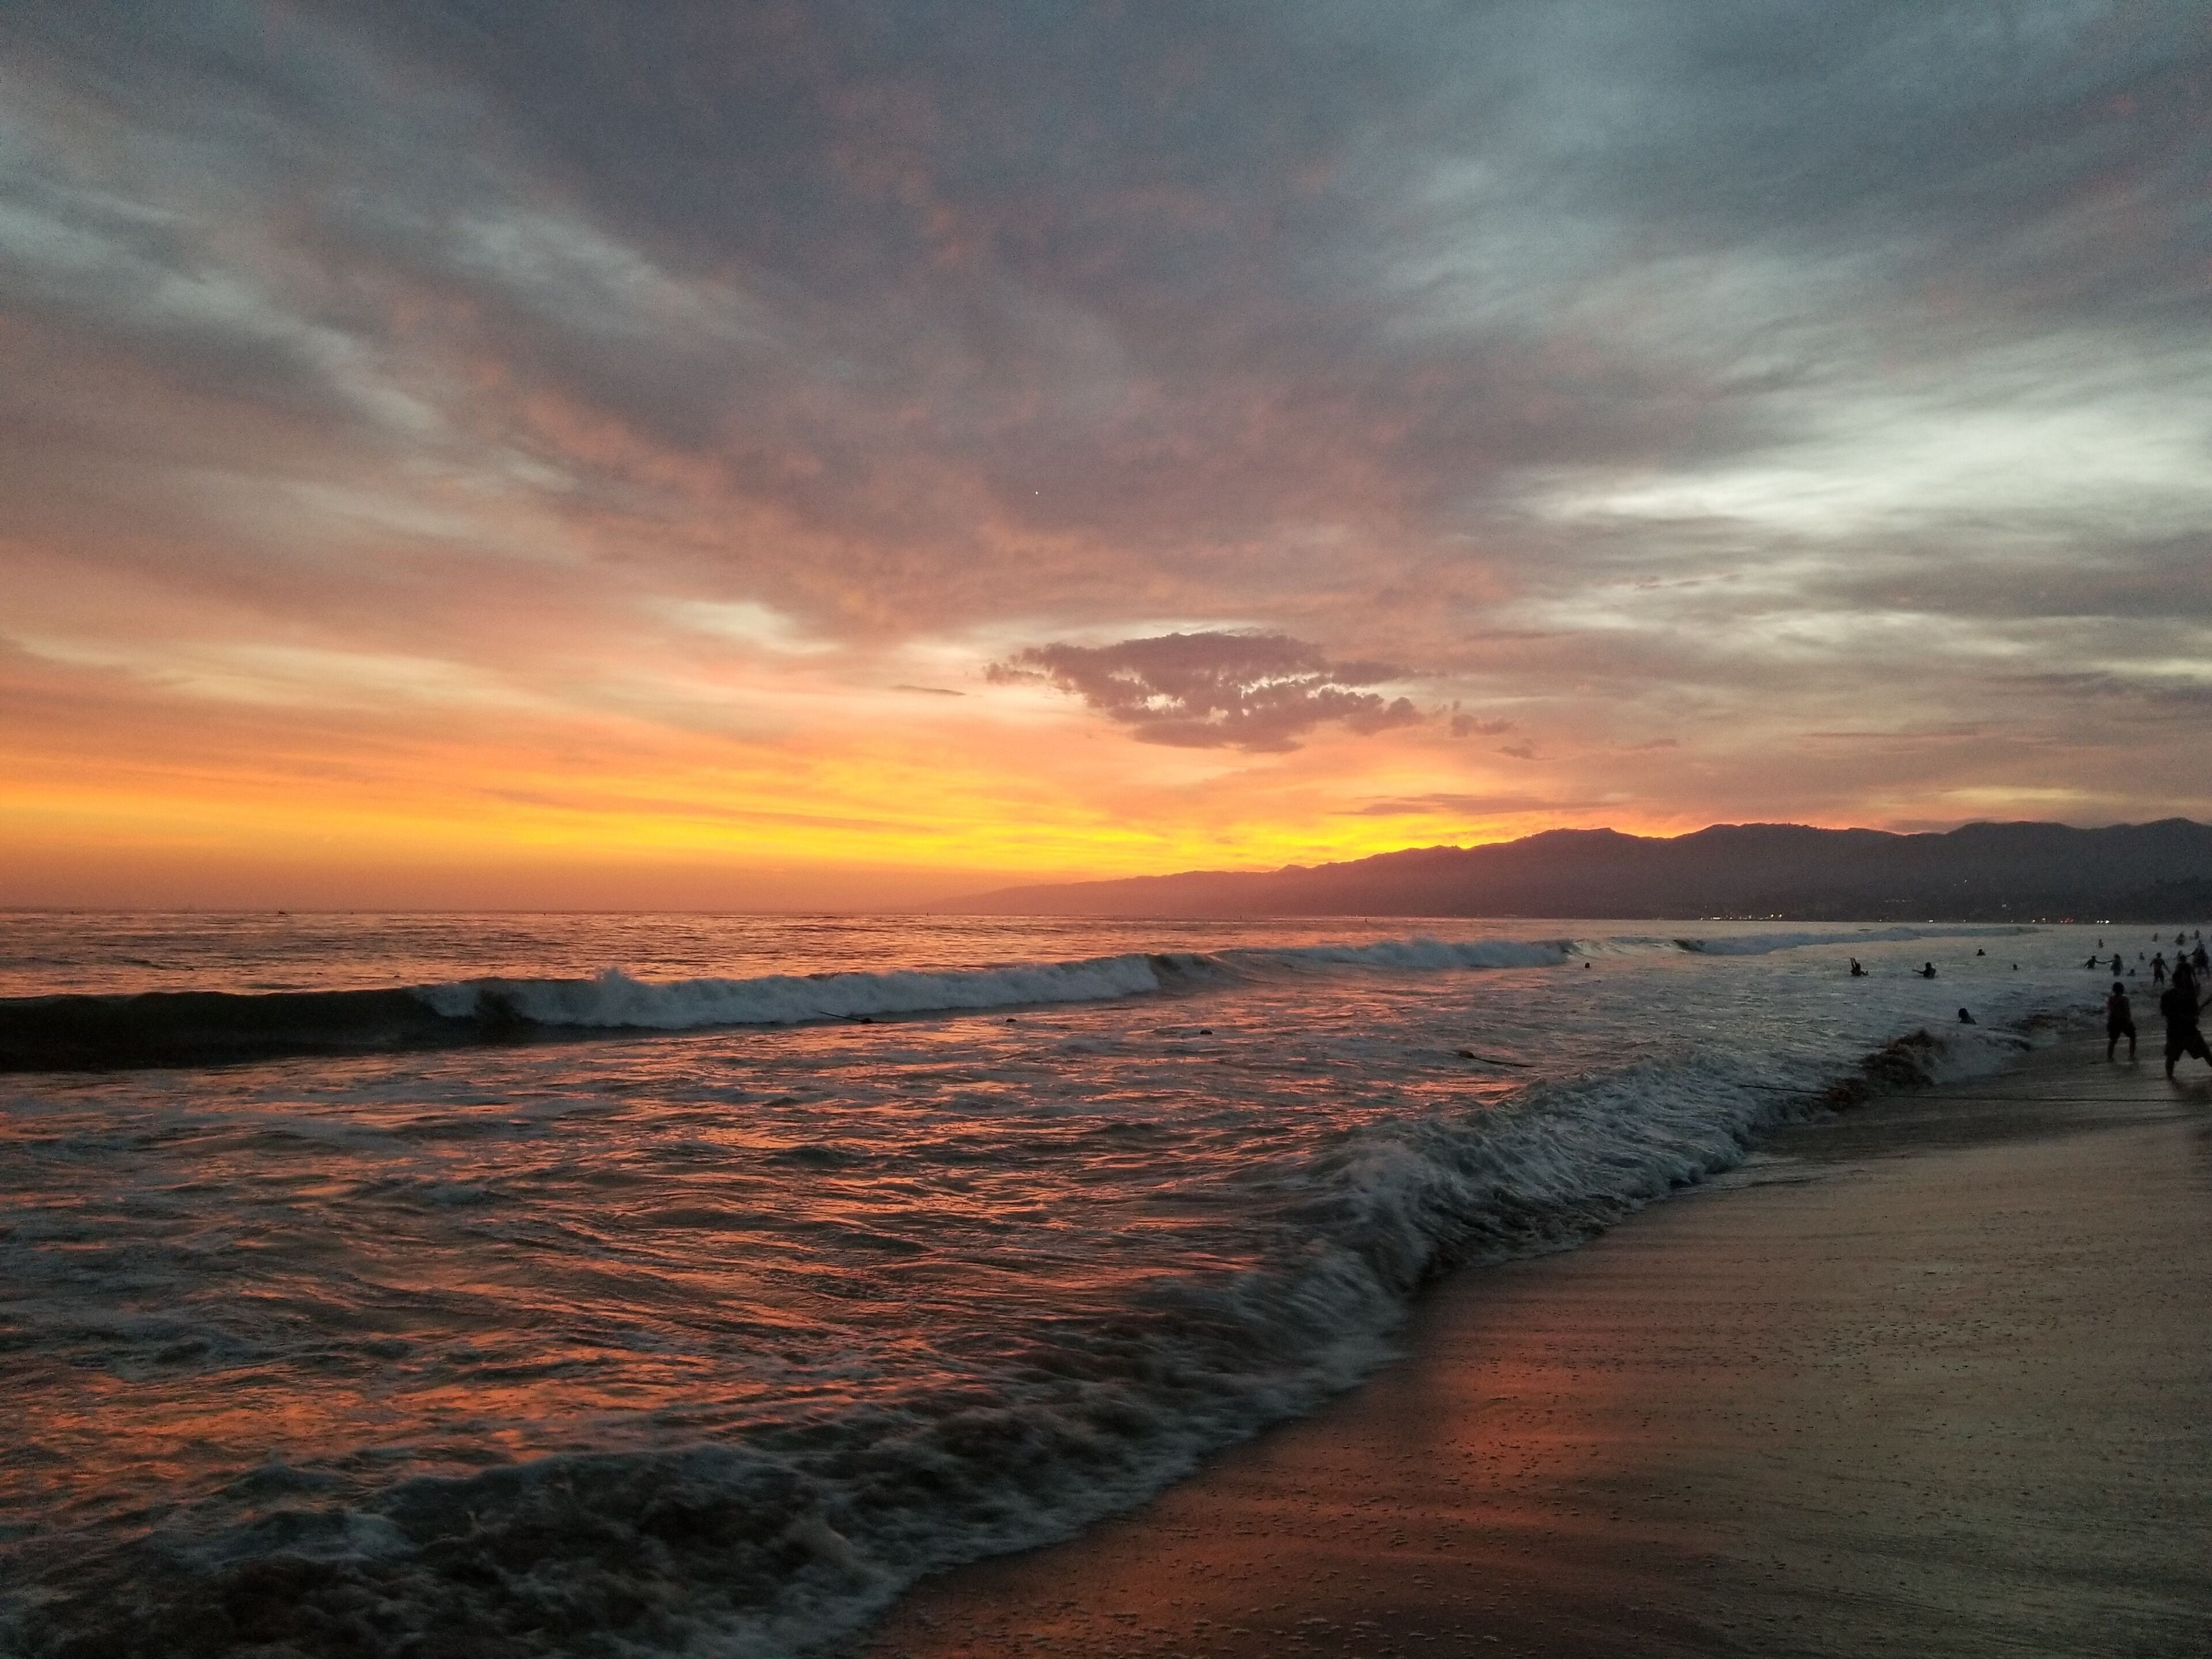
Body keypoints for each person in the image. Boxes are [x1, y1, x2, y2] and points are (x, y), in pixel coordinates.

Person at [2160, 966, 2211, 1080]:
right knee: (2205, 1053)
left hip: (2175, 1030)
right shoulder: (2188, 995)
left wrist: (2187, 1018)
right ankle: (2169, 1078)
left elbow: (2165, 1013)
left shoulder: (2167, 995)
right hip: (2188, 1031)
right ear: (2183, 981)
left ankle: (2169, 1079)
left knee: (2171, 1057)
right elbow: (2195, 1013)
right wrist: (2188, 1018)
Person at [2106, 981, 2135, 1062]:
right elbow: (2126, 1010)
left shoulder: (2111, 998)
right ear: (2122, 989)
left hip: (2113, 1020)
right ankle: (2131, 1055)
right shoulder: (2124, 999)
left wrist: (2109, 1021)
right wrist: (2129, 1020)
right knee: (2133, 1037)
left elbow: (2110, 1010)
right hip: (2123, 1020)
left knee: (2113, 1040)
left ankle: (2110, 1056)